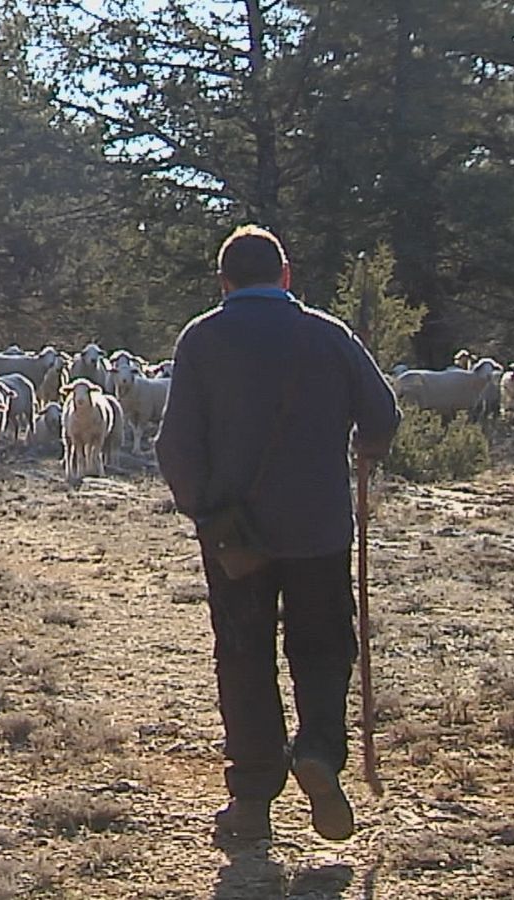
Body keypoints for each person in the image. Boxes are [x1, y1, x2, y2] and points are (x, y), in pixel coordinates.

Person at [155, 225, 400, 842]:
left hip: (236, 538)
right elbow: (383, 415)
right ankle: (318, 747)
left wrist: (205, 514)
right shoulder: (328, 335)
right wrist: (363, 446)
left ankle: (254, 800)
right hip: (319, 529)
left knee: (243, 658)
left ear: (224, 282)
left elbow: (174, 443)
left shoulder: (202, 339)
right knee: (322, 647)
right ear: (286, 276)